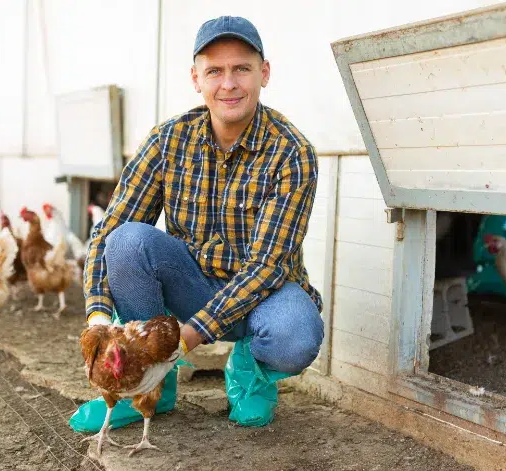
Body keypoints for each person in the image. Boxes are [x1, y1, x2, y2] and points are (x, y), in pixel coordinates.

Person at [81, 15, 324, 426]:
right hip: (190, 283)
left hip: (262, 296)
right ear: (196, 79)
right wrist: (99, 324)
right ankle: (149, 388)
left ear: (264, 74)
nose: (228, 84)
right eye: (214, 71)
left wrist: (183, 341)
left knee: (297, 335)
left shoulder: (292, 153)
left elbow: (266, 267)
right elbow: (108, 233)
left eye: (241, 69)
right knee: (126, 241)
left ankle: (249, 373)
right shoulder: (168, 141)